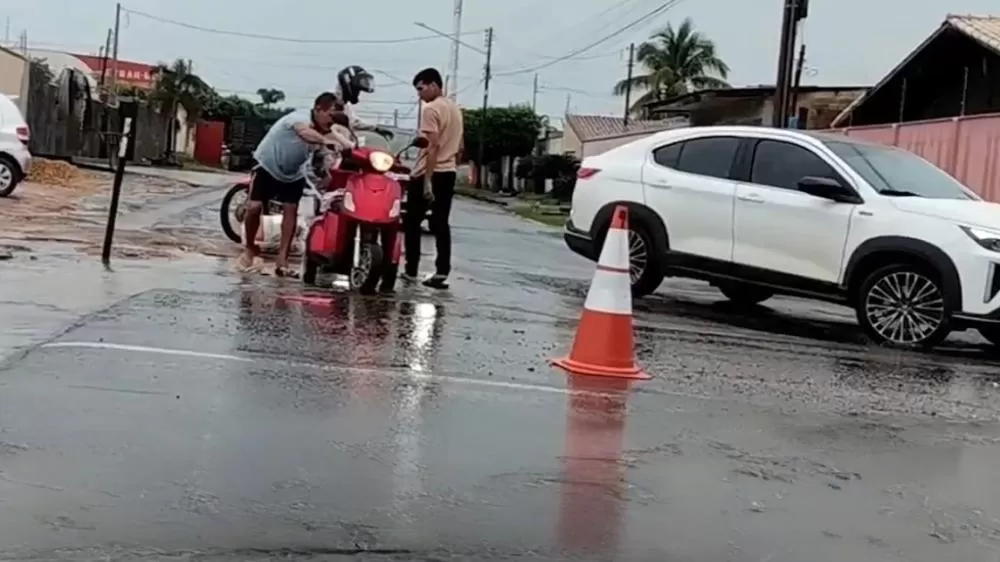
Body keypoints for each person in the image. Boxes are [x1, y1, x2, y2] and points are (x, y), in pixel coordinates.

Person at [239, 92, 350, 276]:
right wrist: (325, 141)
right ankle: (250, 247)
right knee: (254, 207)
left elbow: (341, 147)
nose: (332, 121)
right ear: (317, 110)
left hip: (293, 173)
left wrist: (332, 164)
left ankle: (282, 262)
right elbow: (304, 133)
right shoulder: (299, 118)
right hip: (267, 164)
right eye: (330, 115)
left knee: (290, 212)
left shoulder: (329, 131)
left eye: (335, 117)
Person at [404, 67, 464, 289]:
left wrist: (427, 180)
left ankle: (411, 269)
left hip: (429, 173)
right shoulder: (455, 109)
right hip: (448, 172)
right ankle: (441, 271)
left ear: (433, 85)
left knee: (411, 221)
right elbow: (459, 146)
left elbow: (432, 146)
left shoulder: (431, 109)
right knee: (440, 223)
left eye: (421, 89)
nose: (419, 94)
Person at [335, 65, 393, 138]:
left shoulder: (344, 105)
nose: (358, 94)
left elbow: (354, 123)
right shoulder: (331, 101)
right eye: (356, 90)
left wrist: (376, 129)